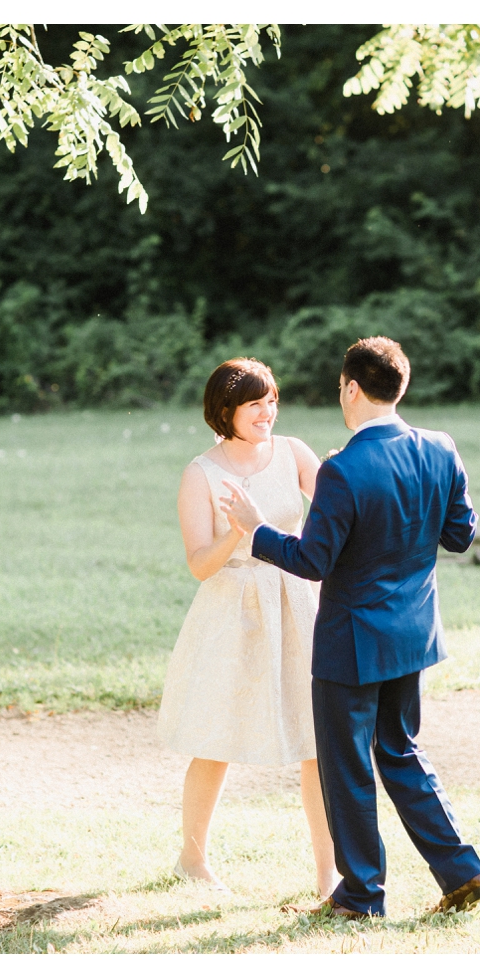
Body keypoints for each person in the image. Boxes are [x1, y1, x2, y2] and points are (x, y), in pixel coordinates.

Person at [220, 336, 480, 919]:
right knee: (400, 751)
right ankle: (464, 871)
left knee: (347, 768)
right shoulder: (441, 449)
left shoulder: (343, 470)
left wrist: (256, 527)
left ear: (351, 388)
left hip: (350, 642)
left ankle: (361, 896)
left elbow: (313, 562)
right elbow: (460, 534)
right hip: (414, 635)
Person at [157, 357, 339, 899]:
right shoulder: (201, 473)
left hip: (296, 600)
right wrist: (243, 532)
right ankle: (192, 858)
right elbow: (198, 564)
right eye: (255, 403)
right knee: (217, 734)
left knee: (316, 738)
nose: (268, 412)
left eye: (272, 400)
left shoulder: (293, 452)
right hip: (231, 607)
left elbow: (335, 511)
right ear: (226, 411)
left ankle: (329, 873)